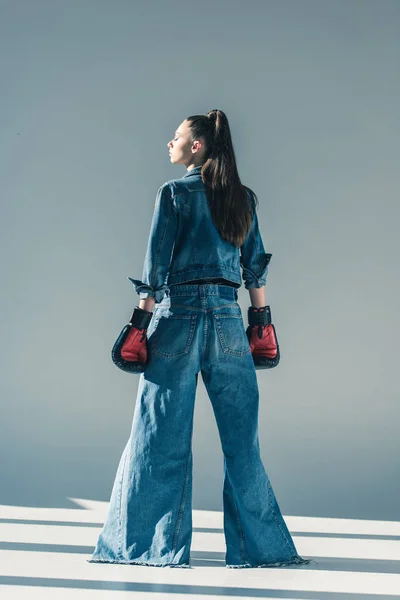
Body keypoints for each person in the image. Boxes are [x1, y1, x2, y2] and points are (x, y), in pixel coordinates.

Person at [88, 109, 312, 569]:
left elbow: (155, 269)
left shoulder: (173, 194)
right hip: (230, 322)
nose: (168, 143)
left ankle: (151, 549)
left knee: (158, 438)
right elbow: (255, 267)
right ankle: (261, 552)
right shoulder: (243, 198)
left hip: (178, 319)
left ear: (197, 147)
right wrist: (261, 323)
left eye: (176, 137)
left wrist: (138, 325)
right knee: (242, 444)